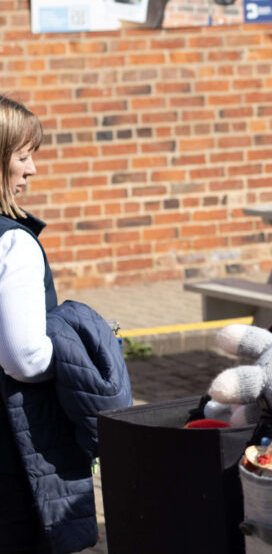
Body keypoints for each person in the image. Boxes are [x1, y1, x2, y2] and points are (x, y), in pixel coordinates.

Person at [0, 95, 129, 553]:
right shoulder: (14, 244)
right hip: (17, 441)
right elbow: (23, 356)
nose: (32, 169)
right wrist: (77, 349)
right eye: (23, 156)